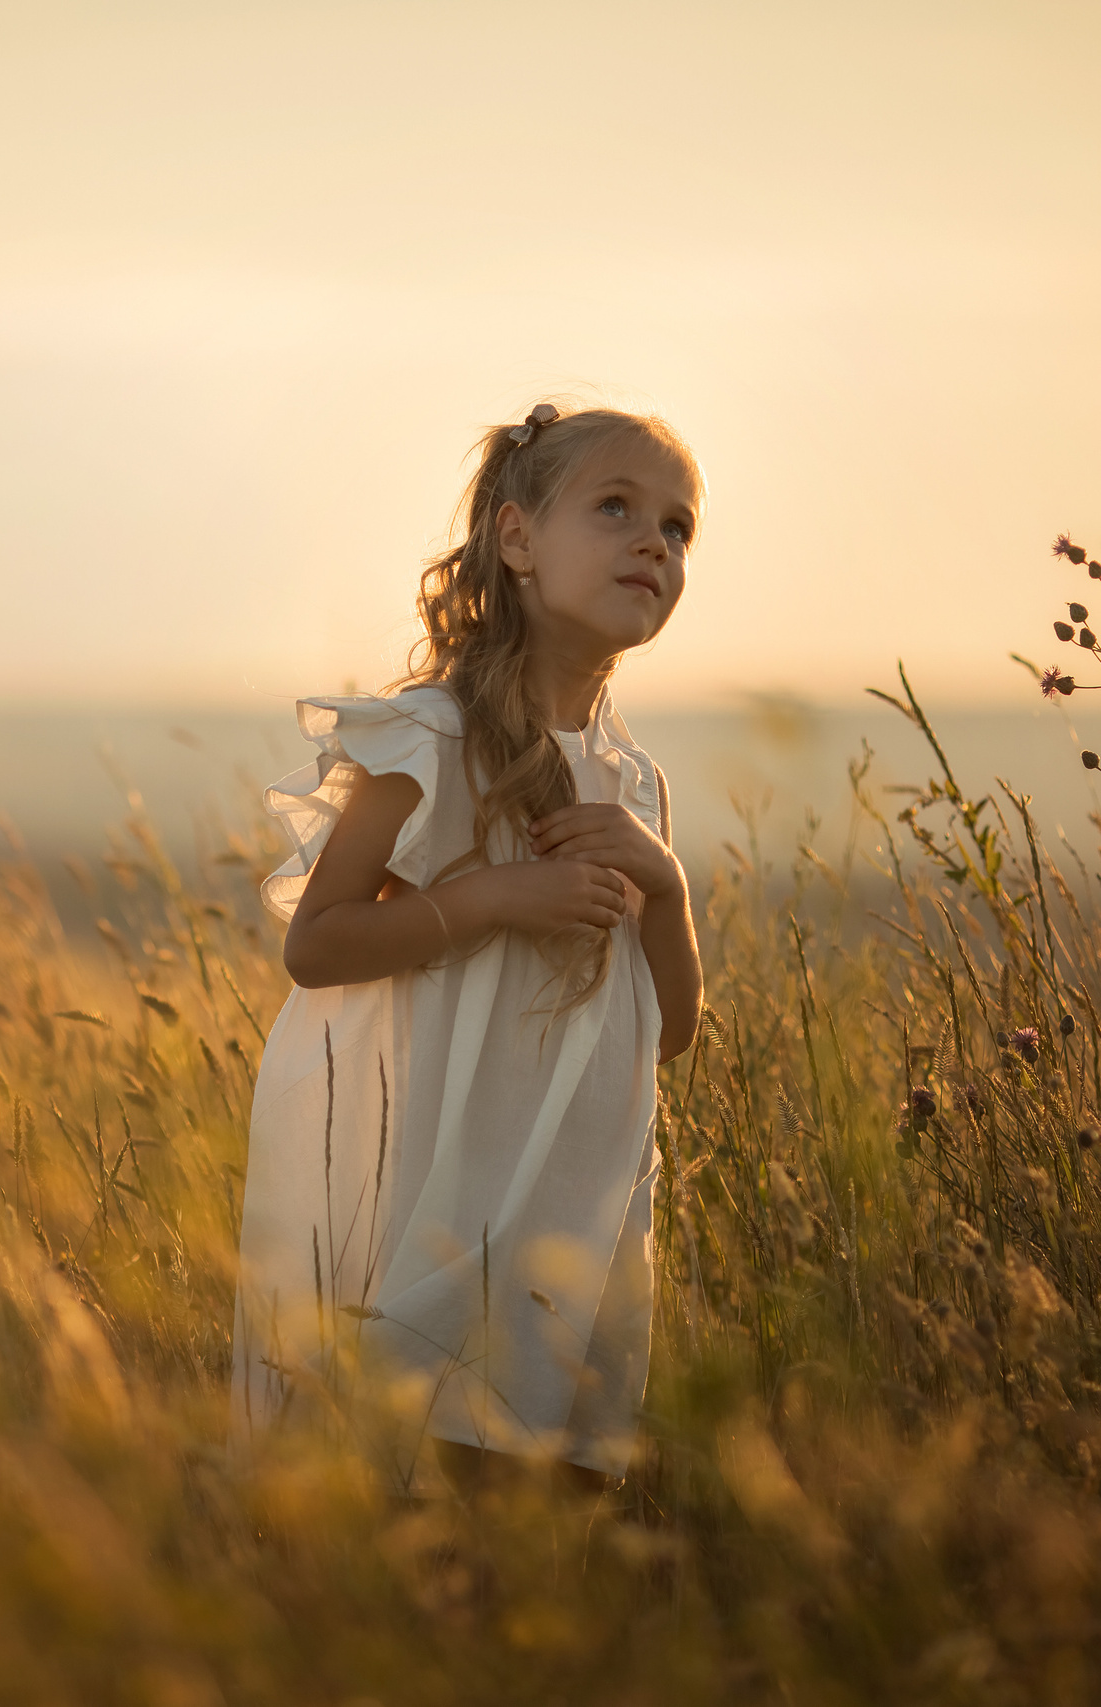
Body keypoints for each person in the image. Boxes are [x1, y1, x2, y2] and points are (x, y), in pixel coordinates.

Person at [230, 401, 703, 1495]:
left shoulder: (633, 788)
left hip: (574, 1223)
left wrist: (666, 892)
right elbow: (319, 943)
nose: (653, 544)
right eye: (617, 509)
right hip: (444, 1207)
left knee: (549, 1522)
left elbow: (667, 1038)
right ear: (516, 538)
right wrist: (492, 894)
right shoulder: (430, 738)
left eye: (679, 530)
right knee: (421, 1503)